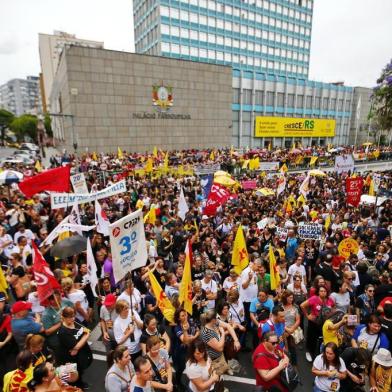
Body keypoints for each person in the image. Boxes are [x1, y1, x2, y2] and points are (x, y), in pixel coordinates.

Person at [56, 306, 92, 390]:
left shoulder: (76, 321)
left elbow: (84, 329)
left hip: (80, 353)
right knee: (74, 375)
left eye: (73, 316)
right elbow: (77, 346)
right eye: (70, 317)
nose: (73, 319)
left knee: (80, 370)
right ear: (64, 318)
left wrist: (78, 346)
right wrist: (86, 335)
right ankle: (77, 387)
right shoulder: (63, 331)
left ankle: (81, 383)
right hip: (69, 358)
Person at [200, 309, 240, 376]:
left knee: (221, 373)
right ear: (212, 320)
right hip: (212, 360)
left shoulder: (215, 322)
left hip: (219, 356)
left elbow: (228, 326)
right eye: (216, 317)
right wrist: (223, 333)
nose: (217, 318)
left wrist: (236, 340)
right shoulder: (206, 333)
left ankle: (225, 370)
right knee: (215, 379)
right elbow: (219, 348)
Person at [301, 286, 335, 362]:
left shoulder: (330, 300)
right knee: (312, 339)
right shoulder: (314, 299)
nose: (323, 293)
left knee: (323, 339)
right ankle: (309, 352)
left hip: (325, 323)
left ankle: (322, 355)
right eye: (321, 291)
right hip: (314, 323)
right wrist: (307, 316)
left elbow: (333, 308)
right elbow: (302, 305)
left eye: (324, 291)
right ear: (318, 292)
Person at [172, 307, 200, 391]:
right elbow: (185, 340)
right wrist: (185, 331)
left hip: (191, 350)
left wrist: (194, 337)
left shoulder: (191, 321)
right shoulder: (177, 328)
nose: (185, 316)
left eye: (186, 314)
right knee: (180, 368)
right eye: (182, 315)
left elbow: (198, 330)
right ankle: (178, 382)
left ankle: (191, 383)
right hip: (180, 353)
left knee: (192, 367)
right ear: (178, 318)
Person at [281, 290, 301, 366]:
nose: (291, 299)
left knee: (292, 348)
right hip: (283, 330)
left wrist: (291, 329)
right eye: (289, 298)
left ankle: (294, 364)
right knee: (283, 348)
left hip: (292, 330)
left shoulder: (295, 307)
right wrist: (287, 329)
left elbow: (298, 320)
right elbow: (279, 319)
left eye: (292, 298)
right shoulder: (281, 307)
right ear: (285, 298)